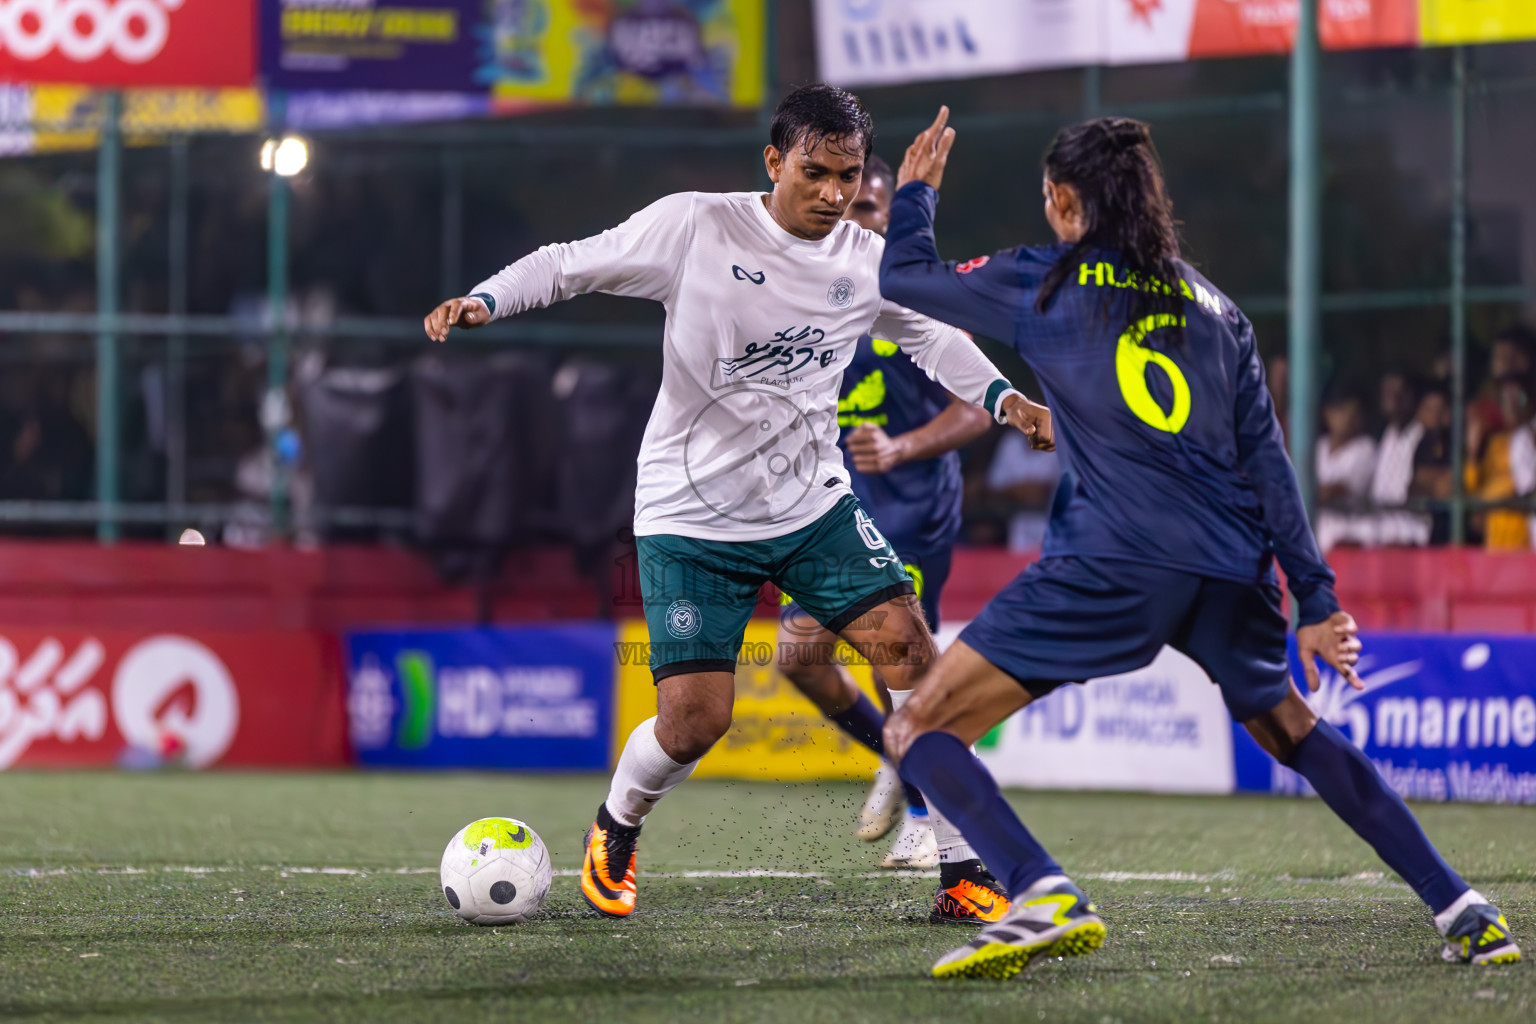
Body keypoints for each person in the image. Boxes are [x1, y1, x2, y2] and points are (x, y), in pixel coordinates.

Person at [876, 109, 1520, 978]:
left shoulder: (1045, 282)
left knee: (917, 724)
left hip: (1116, 563)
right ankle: (1465, 906)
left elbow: (905, 276)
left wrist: (915, 192)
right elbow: (1269, 459)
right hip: (1233, 570)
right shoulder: (1216, 308)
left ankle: (1037, 889)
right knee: (1291, 726)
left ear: (1065, 202)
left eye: (1047, 197)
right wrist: (1318, 600)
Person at [423, 84, 1051, 922]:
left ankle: (961, 870)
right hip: (689, 517)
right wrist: (488, 298)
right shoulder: (696, 226)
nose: (834, 195)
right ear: (773, 161)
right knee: (693, 722)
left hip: (811, 505)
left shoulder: (866, 260)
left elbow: (935, 336)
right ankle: (616, 826)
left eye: (850, 176)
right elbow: (573, 261)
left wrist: (1009, 400)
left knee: (912, 656)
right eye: (816, 173)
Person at [770, 153, 1004, 914]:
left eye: (871, 208)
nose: (854, 217)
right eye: (849, 206)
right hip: (842, 507)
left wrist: (903, 446)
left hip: (914, 509)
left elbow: (973, 407)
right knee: (797, 659)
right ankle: (896, 761)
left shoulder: (912, 298)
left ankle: (936, 830)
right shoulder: (815, 295)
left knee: (895, 660)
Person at [1370, 370, 1430, 546]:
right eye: (1388, 392)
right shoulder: (1386, 436)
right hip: (1381, 538)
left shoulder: (1421, 435)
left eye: (1399, 392)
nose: (1393, 398)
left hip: (1412, 539)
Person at [1313, 387, 1376, 551]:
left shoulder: (1365, 448)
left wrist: (1308, 490)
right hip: (1318, 534)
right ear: (1327, 414)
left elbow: (1341, 489)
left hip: (1349, 534)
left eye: (1355, 413)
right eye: (1342, 411)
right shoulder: (1318, 447)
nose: (1349, 419)